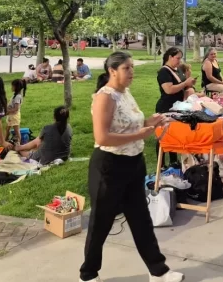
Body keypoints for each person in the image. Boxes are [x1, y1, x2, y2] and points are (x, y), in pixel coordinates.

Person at [79, 52, 182, 282]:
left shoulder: (125, 93)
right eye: (126, 68)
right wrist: (140, 134)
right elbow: (102, 137)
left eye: (132, 67)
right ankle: (88, 275)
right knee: (101, 222)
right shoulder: (105, 97)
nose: (132, 72)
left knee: (141, 219)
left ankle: (158, 271)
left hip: (134, 163)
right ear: (112, 71)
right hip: (110, 166)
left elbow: (131, 125)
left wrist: (150, 122)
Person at [155, 47, 196, 166]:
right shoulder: (164, 71)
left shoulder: (176, 69)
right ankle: (161, 165)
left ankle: (173, 162)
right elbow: (169, 90)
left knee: (173, 135)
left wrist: (189, 84)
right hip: (166, 106)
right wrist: (185, 83)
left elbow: (181, 85)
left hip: (177, 106)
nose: (179, 61)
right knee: (162, 136)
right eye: (177, 58)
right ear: (170, 57)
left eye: (180, 58)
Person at [6, 79, 26, 143]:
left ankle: (19, 143)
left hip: (14, 116)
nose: (11, 87)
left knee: (17, 131)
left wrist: (8, 111)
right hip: (11, 116)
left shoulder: (18, 97)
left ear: (16, 87)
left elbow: (16, 108)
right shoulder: (15, 95)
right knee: (7, 129)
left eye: (12, 86)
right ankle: (5, 141)